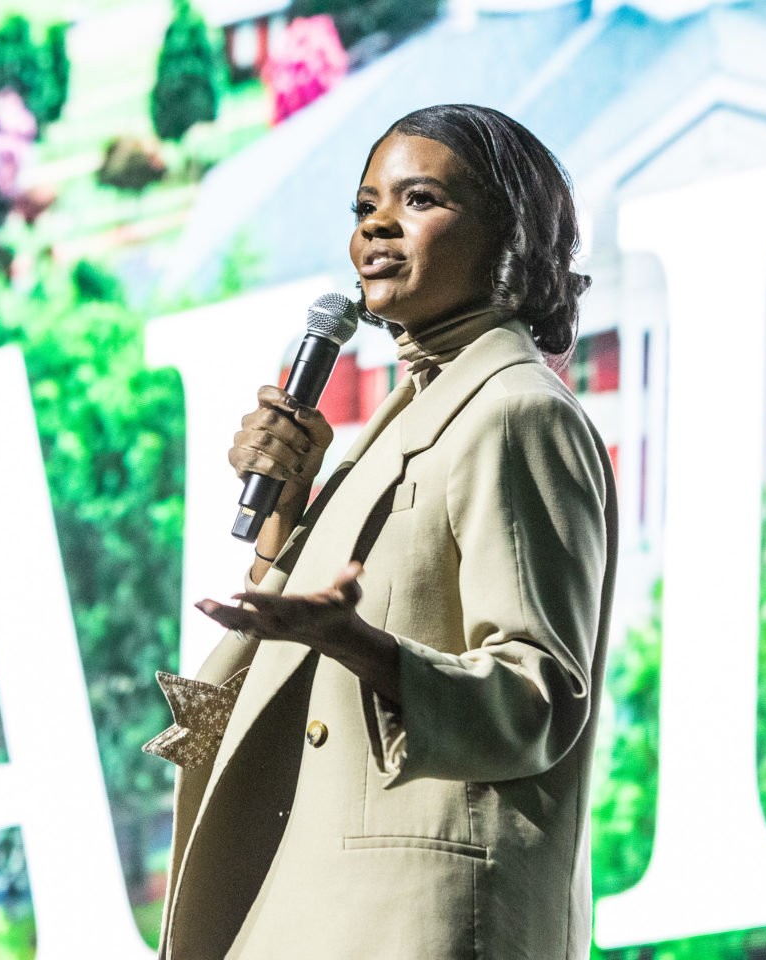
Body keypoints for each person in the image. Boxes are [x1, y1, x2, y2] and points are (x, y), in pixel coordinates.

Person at [146, 104, 618, 960]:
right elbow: (303, 645)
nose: (378, 228)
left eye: (421, 199)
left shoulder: (515, 411)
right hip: (326, 910)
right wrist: (288, 509)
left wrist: (366, 648)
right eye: (365, 207)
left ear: (512, 235)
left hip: (422, 923)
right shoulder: (418, 411)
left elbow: (539, 699)